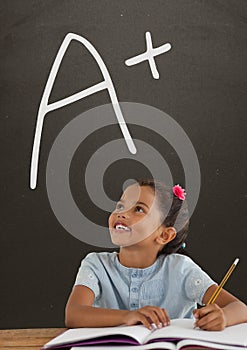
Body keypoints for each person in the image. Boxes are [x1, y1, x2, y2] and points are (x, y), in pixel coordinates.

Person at [65, 179, 247, 331]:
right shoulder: (96, 265)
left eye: (138, 209)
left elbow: (241, 309)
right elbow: (74, 314)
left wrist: (223, 317)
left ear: (164, 235)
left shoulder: (181, 269)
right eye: (121, 205)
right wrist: (128, 316)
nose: (121, 214)